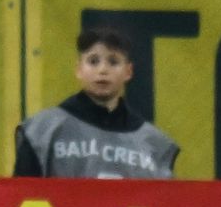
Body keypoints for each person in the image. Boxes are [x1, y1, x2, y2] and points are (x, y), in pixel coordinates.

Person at [14, 26, 178, 178]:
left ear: (128, 72)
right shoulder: (42, 131)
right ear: (79, 69)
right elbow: (21, 195)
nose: (103, 70)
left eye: (113, 62)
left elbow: (163, 199)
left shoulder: (154, 143)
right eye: (93, 61)